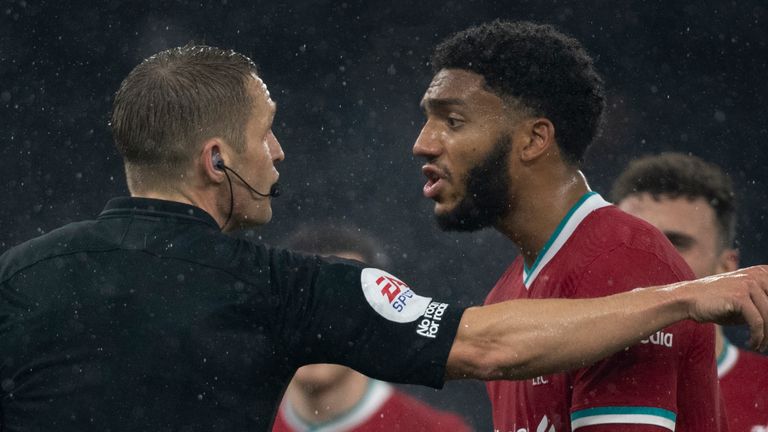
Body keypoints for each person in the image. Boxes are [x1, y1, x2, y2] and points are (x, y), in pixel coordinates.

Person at [1, 44, 767, 432]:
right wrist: (689, 297)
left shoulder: (19, 279)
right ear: (216, 159)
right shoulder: (279, 288)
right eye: (266, 136)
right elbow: (485, 344)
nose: (279, 155)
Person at [412, 20, 750, 431]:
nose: (423, 143)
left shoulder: (626, 266)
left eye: (453, 121)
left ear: (535, 139)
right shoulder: (505, 296)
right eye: (429, 120)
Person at [613, 153, 768, 432]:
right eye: (634, 242)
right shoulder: (558, 381)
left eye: (676, 244)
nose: (651, 258)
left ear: (726, 268)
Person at [272, 223, 471, 432]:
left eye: (341, 303)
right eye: (301, 300)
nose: (317, 322)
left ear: (378, 316)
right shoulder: (238, 421)